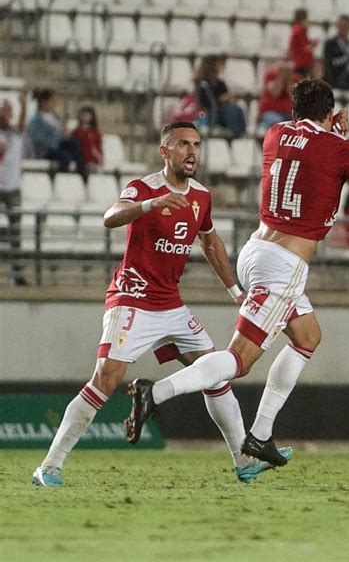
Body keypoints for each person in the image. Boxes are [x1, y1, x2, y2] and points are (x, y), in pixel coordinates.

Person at [125, 79, 349, 468]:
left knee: (308, 335)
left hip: (254, 251)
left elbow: (308, 147)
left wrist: (329, 128)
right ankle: (154, 393)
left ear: (295, 112)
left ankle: (260, 436)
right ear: (330, 112)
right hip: (285, 265)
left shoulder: (275, 133)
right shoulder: (342, 150)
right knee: (239, 360)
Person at [32, 122, 289, 487]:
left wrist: (235, 290)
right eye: (183, 144)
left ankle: (243, 461)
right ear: (164, 151)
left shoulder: (201, 195)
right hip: (132, 298)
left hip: (171, 304)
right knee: (105, 380)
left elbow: (211, 243)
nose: (192, 152)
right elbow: (110, 217)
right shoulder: (143, 188)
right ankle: (50, 466)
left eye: (197, 145)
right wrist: (150, 204)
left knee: (215, 372)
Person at [0, 93, 28, 286]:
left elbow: (21, 126)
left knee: (15, 234)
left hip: (13, 187)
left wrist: (24, 106)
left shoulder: (15, 133)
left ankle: (17, 274)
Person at [27, 89, 86, 178]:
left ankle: (81, 174)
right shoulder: (35, 120)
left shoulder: (54, 116)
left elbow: (61, 133)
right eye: (52, 101)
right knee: (65, 156)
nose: (55, 104)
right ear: (44, 102)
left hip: (58, 146)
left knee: (75, 144)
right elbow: (39, 139)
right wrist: (58, 136)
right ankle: (61, 180)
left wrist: (64, 134)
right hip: (45, 150)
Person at [194, 56, 246, 138]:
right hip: (208, 114)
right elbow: (203, 102)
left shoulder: (221, 83)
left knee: (237, 109)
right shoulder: (202, 84)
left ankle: (240, 132)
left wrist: (228, 99)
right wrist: (219, 100)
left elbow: (226, 97)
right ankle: (237, 131)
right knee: (229, 111)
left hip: (221, 113)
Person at [259, 62, 295, 128]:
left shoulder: (294, 77)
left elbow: (293, 95)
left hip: (288, 114)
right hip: (270, 113)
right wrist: (281, 77)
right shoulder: (270, 75)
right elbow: (275, 92)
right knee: (279, 123)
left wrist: (288, 79)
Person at [287, 9, 319, 77]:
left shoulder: (296, 29)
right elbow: (305, 49)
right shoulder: (300, 30)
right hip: (302, 65)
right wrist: (314, 44)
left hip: (299, 63)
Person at [72, 106, 103, 175]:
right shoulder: (77, 131)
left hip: (93, 159)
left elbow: (98, 146)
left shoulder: (95, 132)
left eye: (86, 115)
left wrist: (99, 157)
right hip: (82, 159)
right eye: (82, 115)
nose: (84, 117)